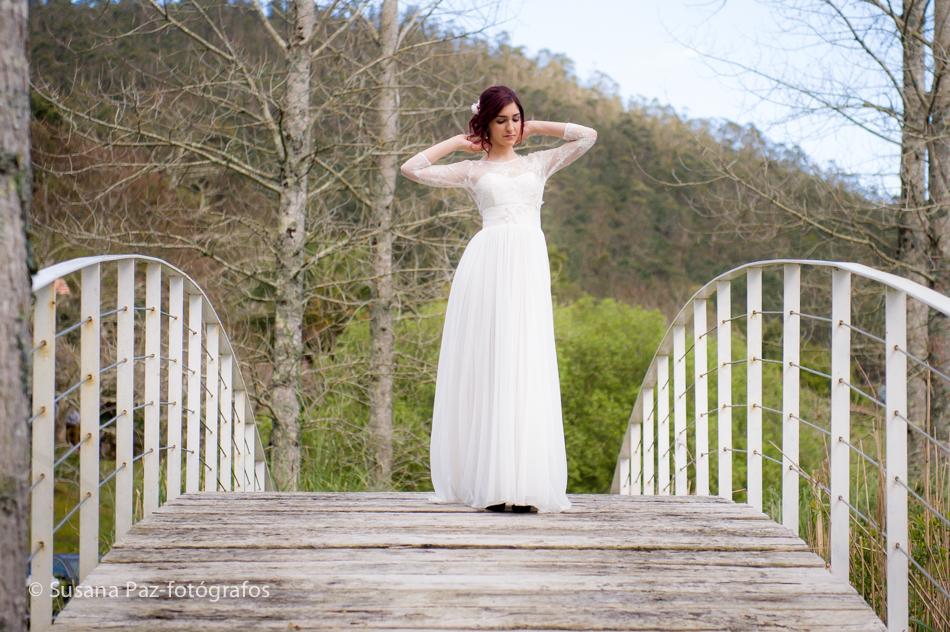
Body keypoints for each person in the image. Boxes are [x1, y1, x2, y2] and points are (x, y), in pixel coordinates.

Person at [400, 85, 597, 514]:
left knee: (525, 362)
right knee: (493, 362)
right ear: (485, 125)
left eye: (514, 119)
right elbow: (412, 168)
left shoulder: (540, 162)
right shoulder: (472, 171)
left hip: (527, 265)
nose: (510, 128)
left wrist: (535, 127)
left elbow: (587, 136)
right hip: (487, 266)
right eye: (501, 120)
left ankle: (522, 483)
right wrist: (458, 142)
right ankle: (491, 484)